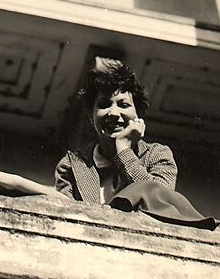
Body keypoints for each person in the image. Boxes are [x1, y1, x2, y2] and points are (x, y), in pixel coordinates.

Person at [55, 58, 177, 203]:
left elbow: (160, 202)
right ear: (90, 116)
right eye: (104, 104)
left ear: (138, 114)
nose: (113, 113)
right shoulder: (71, 164)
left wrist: (124, 150)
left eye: (123, 105)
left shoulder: (157, 155)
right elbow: (64, 209)